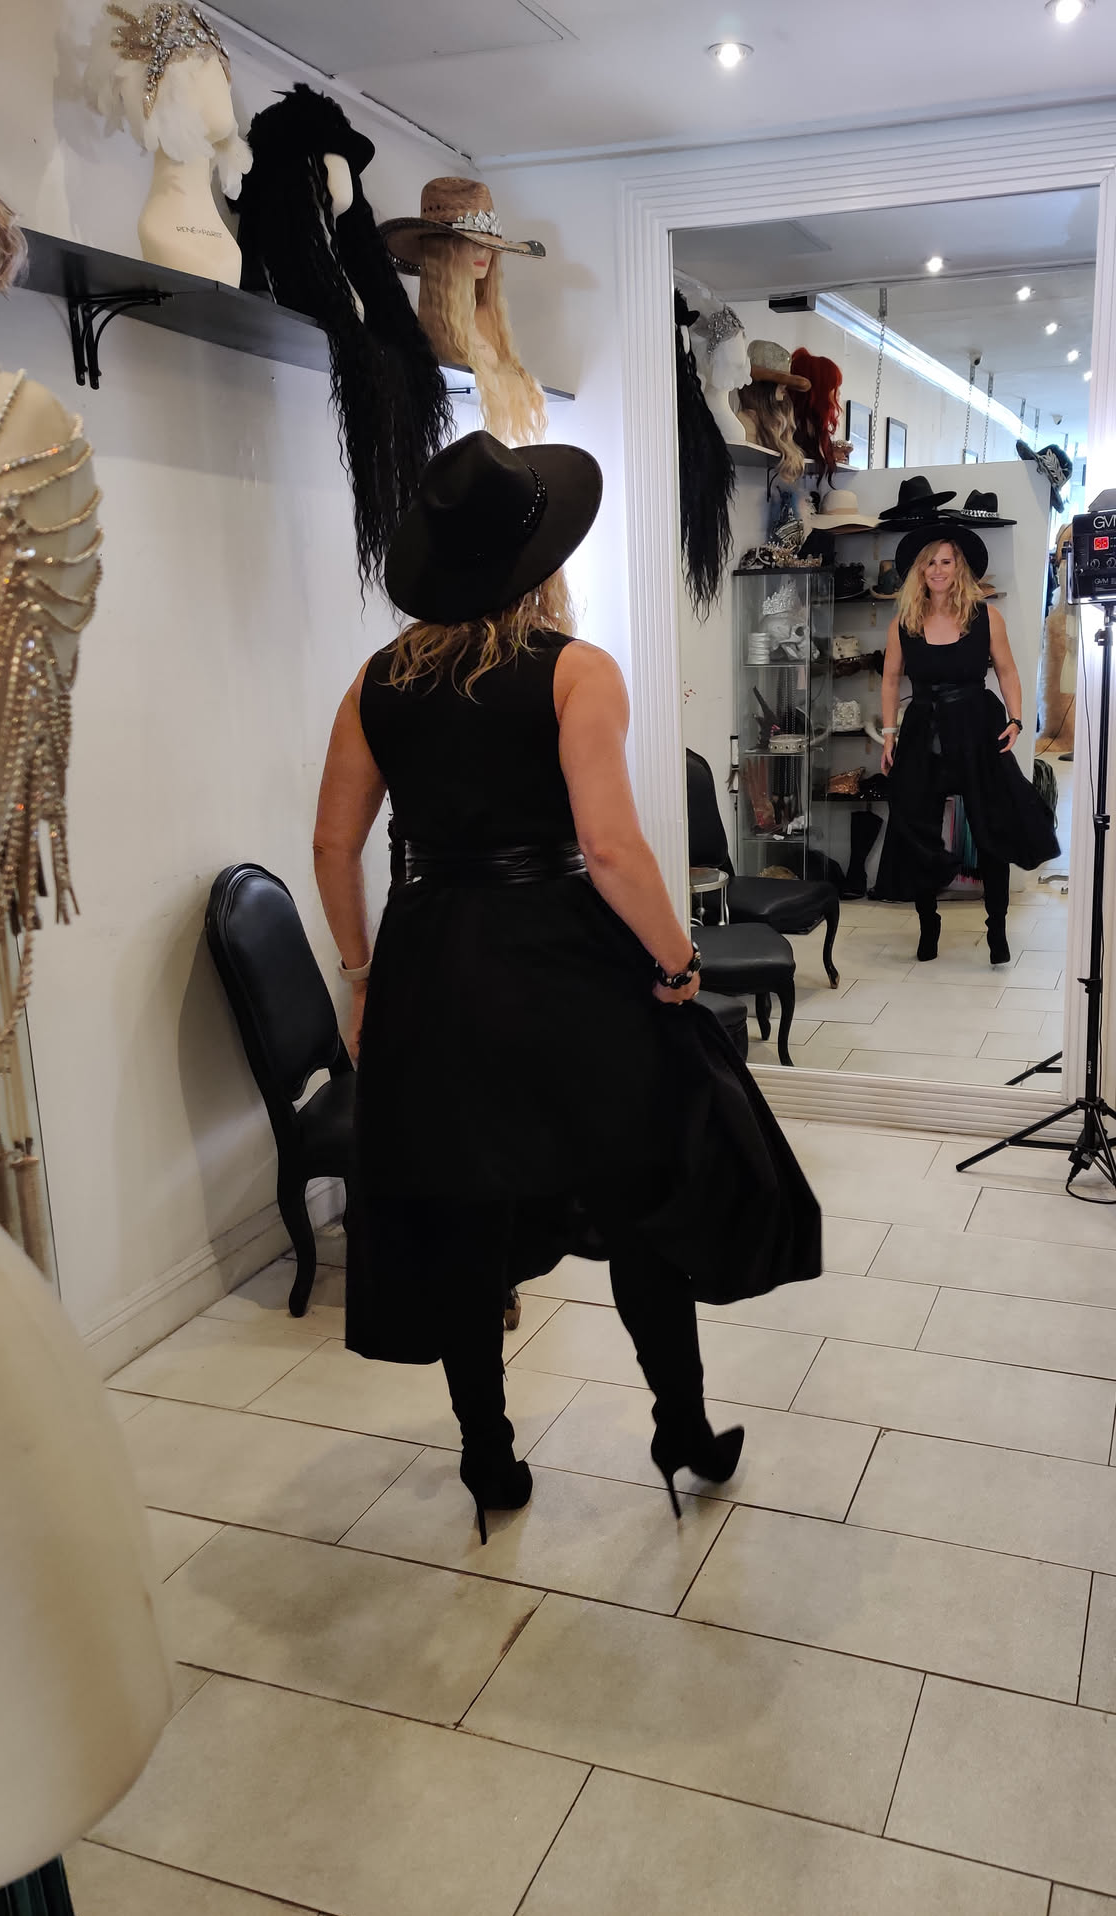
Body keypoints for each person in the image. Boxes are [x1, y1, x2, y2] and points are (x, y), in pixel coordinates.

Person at [313, 430, 819, 1542]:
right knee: (643, 1195)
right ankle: (681, 1429)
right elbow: (612, 849)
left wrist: (360, 979)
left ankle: (487, 1458)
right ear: (538, 560)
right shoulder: (576, 670)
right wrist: (678, 961)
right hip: (562, 961)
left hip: (432, 965)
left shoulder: (376, 682)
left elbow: (332, 846)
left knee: (465, 1211)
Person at [880, 531, 1060, 963]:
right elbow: (889, 680)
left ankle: (997, 929)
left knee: (991, 827)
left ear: (959, 567)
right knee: (917, 827)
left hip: (977, 728)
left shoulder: (986, 617)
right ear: (919, 571)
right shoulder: (904, 621)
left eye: (946, 561)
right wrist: (889, 734)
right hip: (924, 731)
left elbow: (1008, 670)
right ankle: (929, 925)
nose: (938, 570)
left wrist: (1017, 719)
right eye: (930, 562)